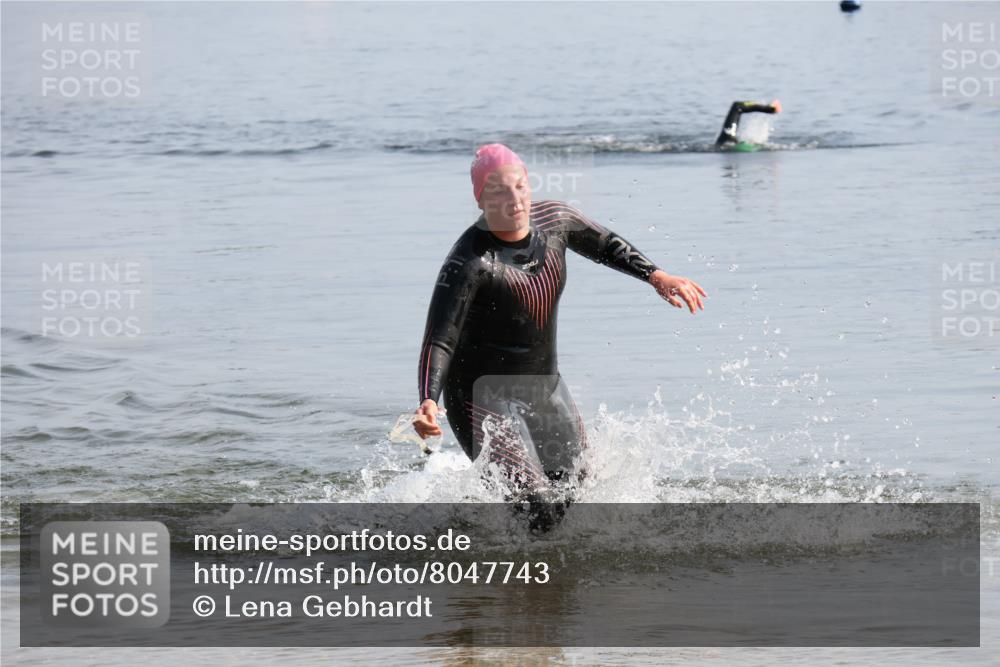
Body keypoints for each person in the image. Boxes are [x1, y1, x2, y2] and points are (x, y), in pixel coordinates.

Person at [412, 144, 706, 523]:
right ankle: (513, 572)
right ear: (480, 198)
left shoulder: (556, 220)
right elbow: (439, 337)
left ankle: (548, 575)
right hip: (480, 396)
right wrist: (428, 401)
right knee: (540, 511)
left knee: (579, 490)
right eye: (499, 191)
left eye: (520, 186)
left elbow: (606, 245)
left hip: (544, 386)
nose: (515, 199)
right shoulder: (470, 261)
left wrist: (655, 275)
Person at [715, 99, 782, 148]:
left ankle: (770, 109)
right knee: (737, 106)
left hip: (726, 144)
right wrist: (769, 109)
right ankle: (771, 109)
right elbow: (738, 106)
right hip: (728, 144)